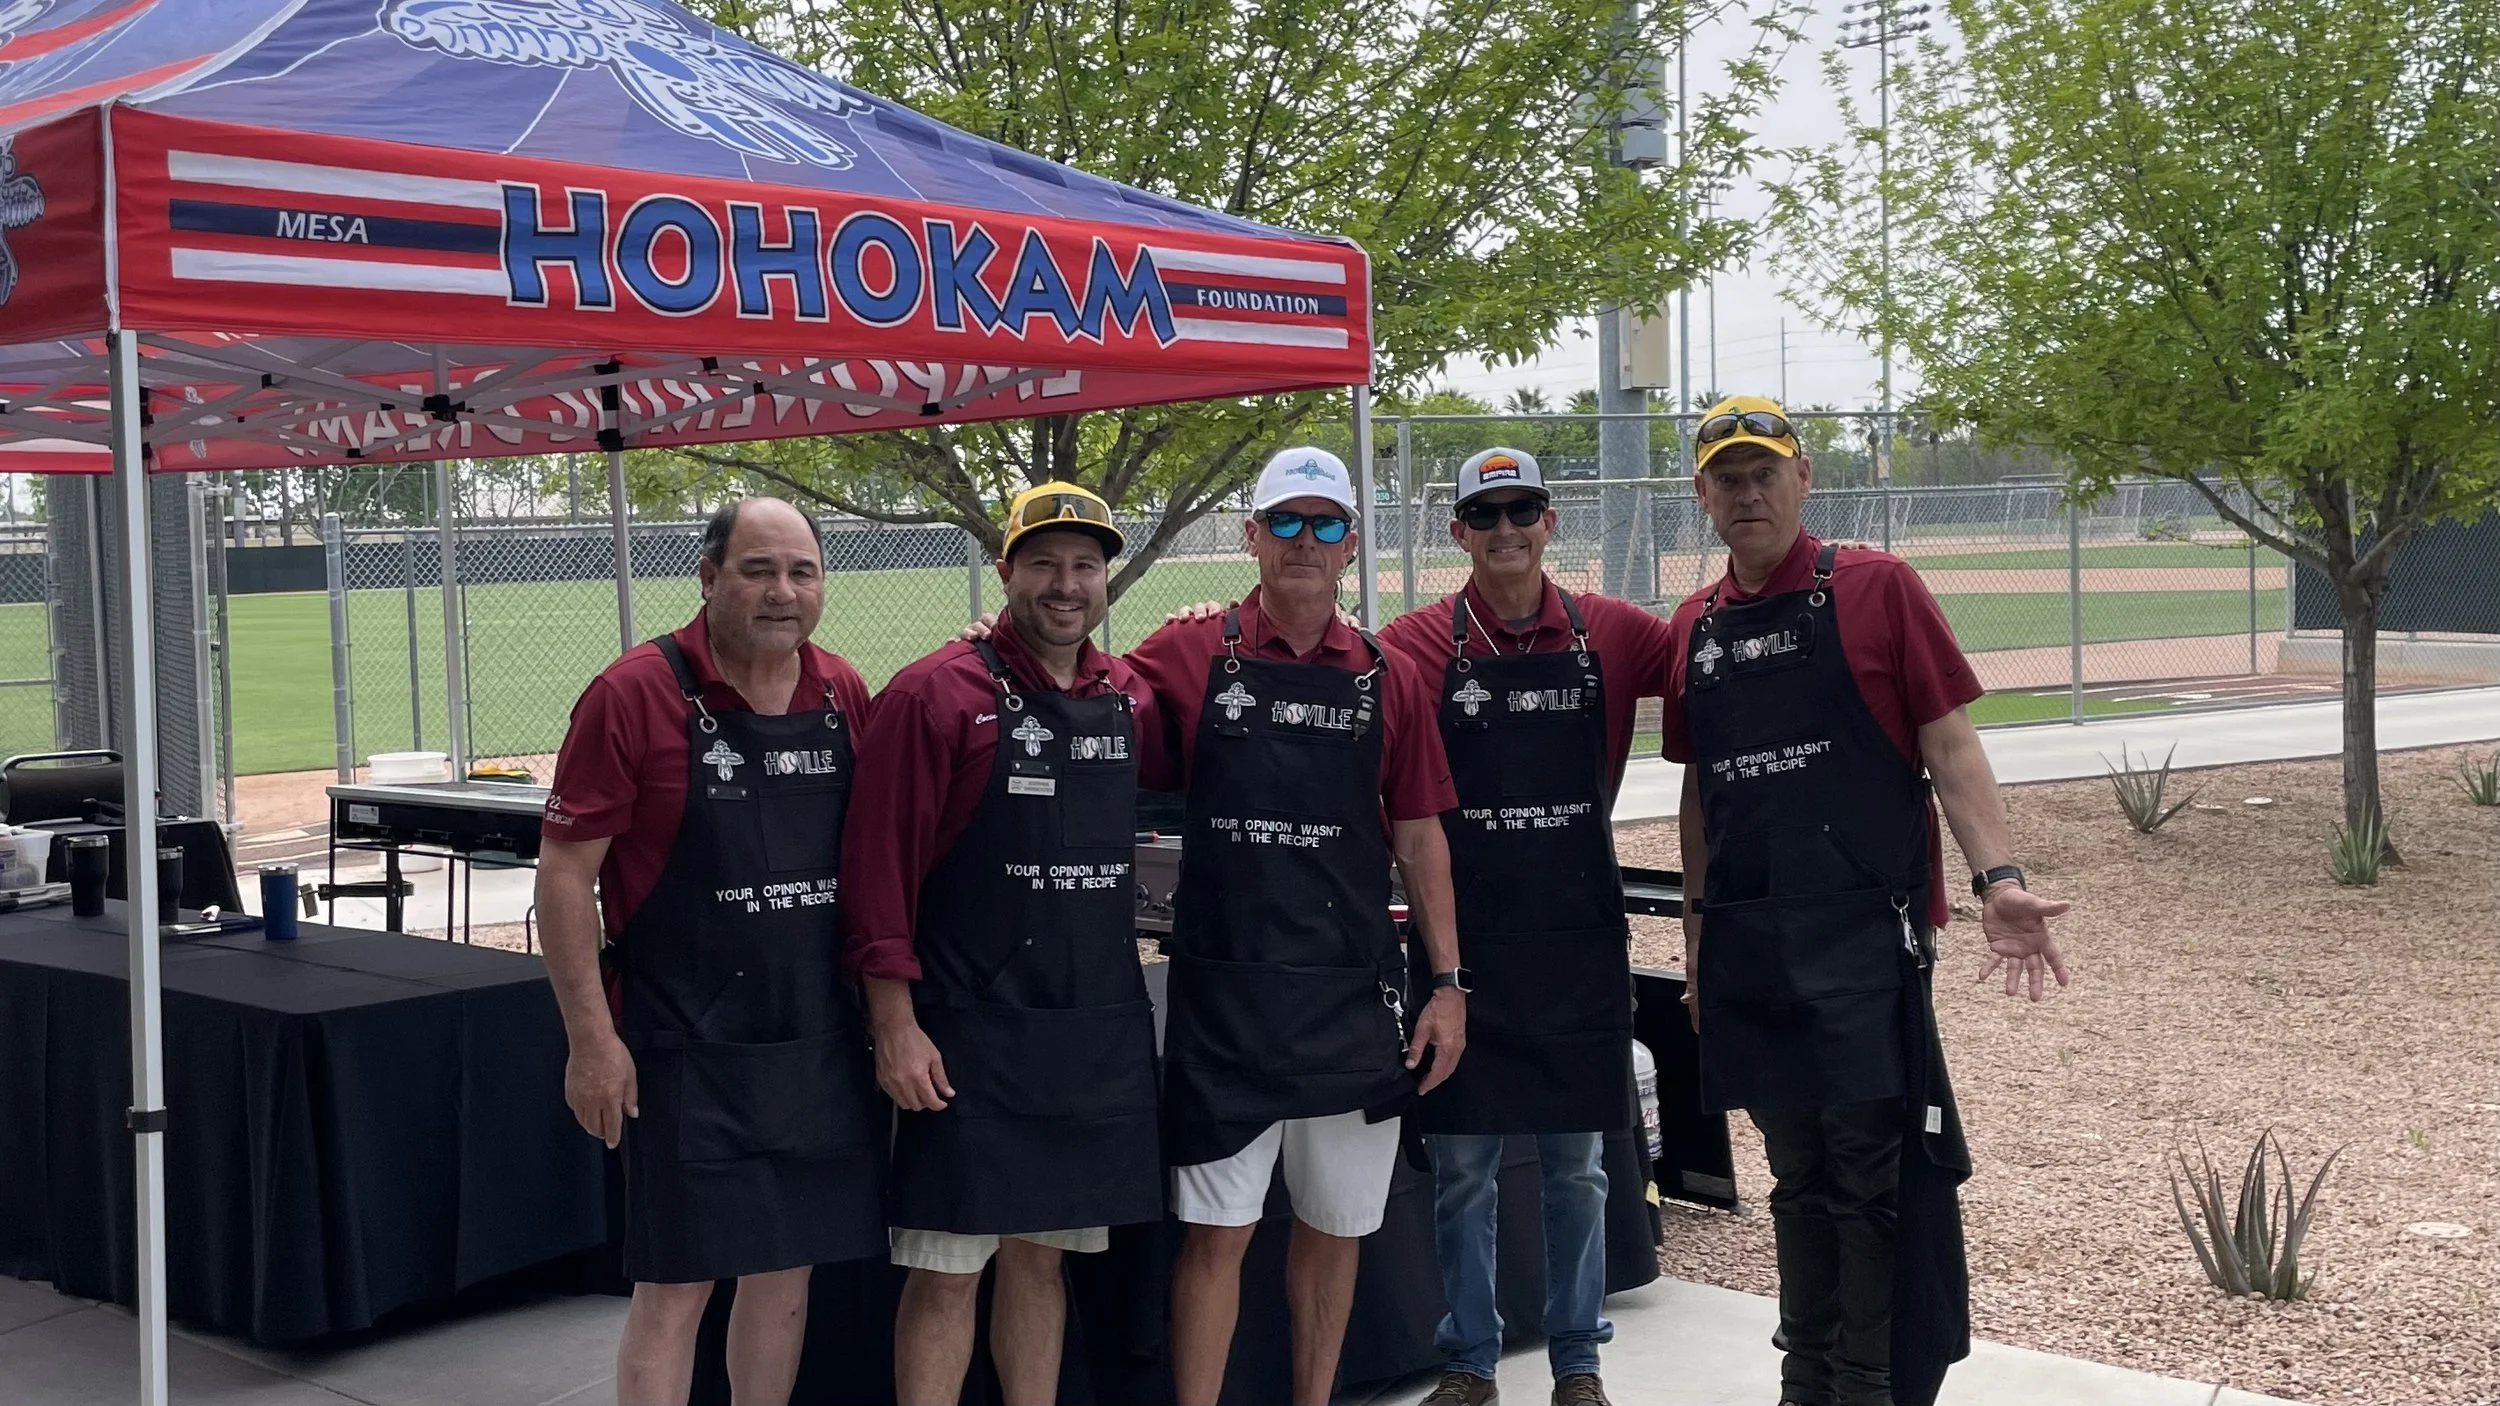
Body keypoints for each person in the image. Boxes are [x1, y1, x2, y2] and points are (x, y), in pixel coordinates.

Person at [1662, 397, 2073, 1406]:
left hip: (1859, 940)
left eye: (1765, 471)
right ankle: (1805, 1375)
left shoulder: (1876, 587)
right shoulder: (1693, 627)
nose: (1747, 491)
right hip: (1749, 946)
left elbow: (1948, 743)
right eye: (1727, 475)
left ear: (1802, 478)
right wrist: (1699, 949)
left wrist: (1999, 879)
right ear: (1701, 495)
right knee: (1793, 1178)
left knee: (1871, 1178)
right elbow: (1699, 799)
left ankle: (1867, 1383)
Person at [1123, 446, 1469, 1406]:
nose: (1305, 542)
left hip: (1350, 998)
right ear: (1251, 538)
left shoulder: (1388, 675)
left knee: (1335, 1228)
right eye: (1286, 522)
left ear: (1351, 542)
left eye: (1325, 524)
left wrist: (1447, 985)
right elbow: (1079, 693)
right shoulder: (1188, 651)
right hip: (1227, 1004)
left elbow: (1420, 834)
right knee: (1217, 1237)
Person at [536, 497, 887, 1406]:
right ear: (707, 578)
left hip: (813, 1044)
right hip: (681, 1047)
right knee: (676, 1289)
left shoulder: (841, 690)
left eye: (801, 572)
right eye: (758, 570)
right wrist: (590, 1041)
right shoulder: (632, 695)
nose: (783, 592)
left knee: (786, 1274)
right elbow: (566, 877)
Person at [841, 484, 1166, 1405]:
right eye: (1044, 564)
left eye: (1085, 566)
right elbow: (877, 880)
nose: (1066, 585)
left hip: (1089, 1038)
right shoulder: (931, 694)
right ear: (1005, 572)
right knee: (947, 1272)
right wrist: (894, 1026)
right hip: (967, 1038)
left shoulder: (1129, 694)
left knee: (1041, 1265)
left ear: (1107, 580)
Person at [1376, 448, 1681, 1406]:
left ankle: (1577, 1363)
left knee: (1577, 1171)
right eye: (1485, 514)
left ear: (1551, 521)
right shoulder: (1415, 644)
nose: (1505, 530)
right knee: (1463, 1171)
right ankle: (1469, 1361)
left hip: (1580, 944)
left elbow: (1717, 655)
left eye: (1524, 511)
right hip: (1464, 951)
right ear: (1456, 531)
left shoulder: (1617, 632)